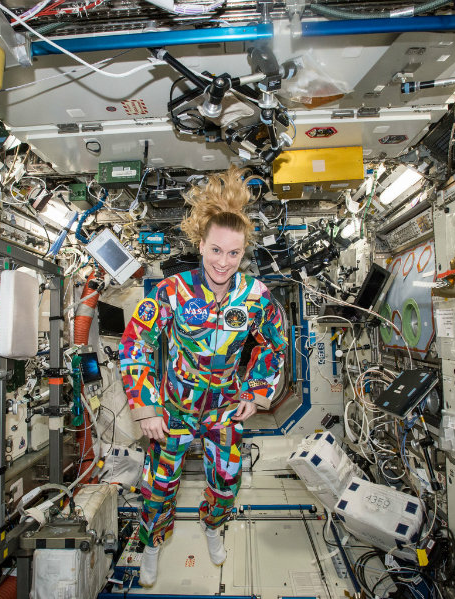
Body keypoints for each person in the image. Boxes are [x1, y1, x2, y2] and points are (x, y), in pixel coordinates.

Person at [118, 167, 287, 587]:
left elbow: (274, 344)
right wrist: (146, 408)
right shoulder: (172, 291)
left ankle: (213, 525)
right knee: (158, 487)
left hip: (224, 410)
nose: (223, 262)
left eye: (234, 254)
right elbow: (136, 343)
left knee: (227, 483)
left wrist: (255, 392)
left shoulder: (255, 296)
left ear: (243, 253)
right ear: (201, 245)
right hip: (174, 410)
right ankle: (152, 544)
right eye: (216, 250)